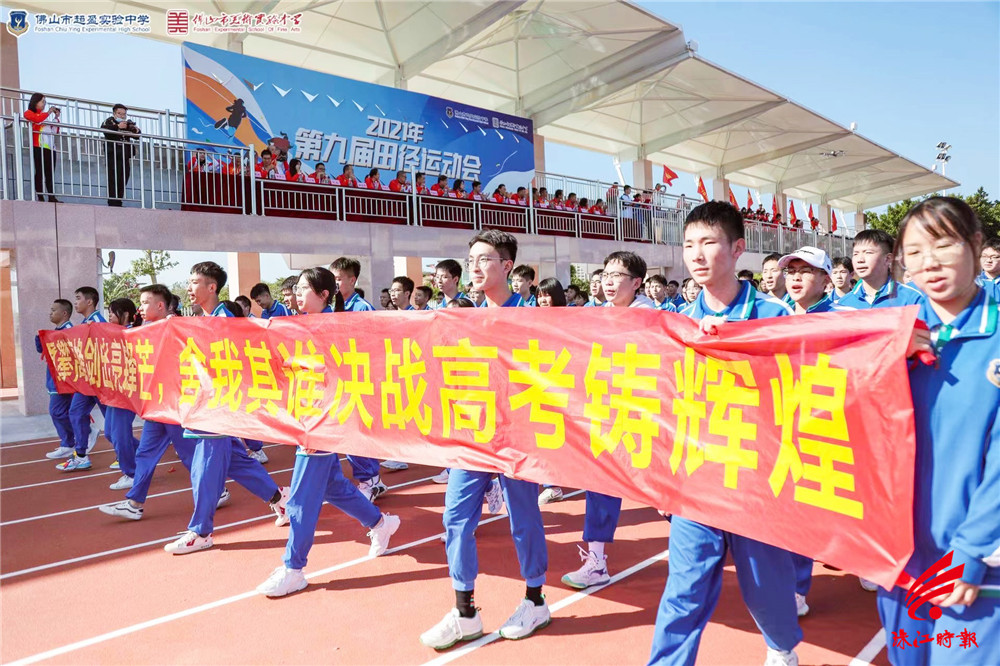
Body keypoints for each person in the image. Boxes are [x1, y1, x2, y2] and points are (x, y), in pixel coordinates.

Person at [649, 201, 801, 666]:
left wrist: (736, 342)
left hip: (756, 476)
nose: (697, 254)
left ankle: (781, 648)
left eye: (709, 243)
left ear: (737, 249)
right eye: (689, 244)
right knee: (684, 589)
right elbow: (664, 402)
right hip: (697, 477)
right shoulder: (676, 323)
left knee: (765, 588)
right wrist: (663, 475)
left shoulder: (774, 314)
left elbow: (801, 389)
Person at [871, 197, 1000, 666]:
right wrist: (884, 359)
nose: (930, 262)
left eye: (944, 245)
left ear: (976, 244)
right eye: (915, 252)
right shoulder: (886, 337)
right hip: (898, 557)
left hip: (972, 563)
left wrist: (972, 551)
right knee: (906, 658)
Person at [420, 230, 550, 649]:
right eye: (471, 260)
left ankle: (535, 600)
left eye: (484, 260)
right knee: (455, 518)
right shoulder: (465, 317)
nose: (474, 267)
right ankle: (465, 611)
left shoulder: (530, 316)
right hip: (473, 434)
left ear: (507, 266)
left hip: (517, 437)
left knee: (523, 518)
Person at [256, 267, 401, 598]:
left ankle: (294, 568)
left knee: (301, 498)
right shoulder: (296, 326)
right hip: (306, 418)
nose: (296, 294)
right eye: (296, 289)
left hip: (325, 422)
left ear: (324, 295)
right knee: (334, 487)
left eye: (304, 289)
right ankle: (382, 524)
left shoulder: (338, 328)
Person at [164, 261, 289, 555]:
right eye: (189, 281)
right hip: (209, 404)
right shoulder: (204, 319)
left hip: (219, 406)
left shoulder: (226, 319)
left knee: (204, 466)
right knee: (235, 460)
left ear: (212, 287)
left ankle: (201, 531)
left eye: (195, 282)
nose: (189, 287)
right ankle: (279, 498)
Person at [563, 252, 655, 590]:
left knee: (668, 491)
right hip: (609, 415)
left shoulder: (651, 317)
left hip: (650, 419)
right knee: (600, 482)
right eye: (605, 275)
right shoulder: (596, 314)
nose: (609, 282)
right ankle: (596, 560)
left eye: (617, 276)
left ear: (636, 282)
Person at [776, 246, 855, 617]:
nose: (796, 277)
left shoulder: (845, 318)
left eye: (805, 271)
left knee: (825, 508)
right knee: (792, 512)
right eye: (791, 270)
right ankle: (794, 587)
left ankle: (858, 556)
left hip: (830, 427)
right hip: (782, 427)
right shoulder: (773, 317)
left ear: (826, 280)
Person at [99, 284, 197, 522]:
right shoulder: (144, 330)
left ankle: (218, 489)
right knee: (145, 453)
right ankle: (135, 503)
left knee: (189, 453)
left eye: (144, 303)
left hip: (173, 405)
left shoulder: (175, 327)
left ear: (160, 305)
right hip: (156, 405)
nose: (140, 308)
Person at [328, 258, 398, 484]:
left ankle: (370, 479)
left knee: (358, 431)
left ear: (352, 280)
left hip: (360, 378)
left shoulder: (362, 308)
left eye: (339, 279)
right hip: (341, 377)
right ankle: (370, 479)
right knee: (347, 432)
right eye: (332, 279)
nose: (335, 284)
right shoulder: (334, 307)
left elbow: (373, 344)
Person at [58, 286, 107, 472]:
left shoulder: (98, 322)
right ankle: (81, 456)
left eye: (78, 298)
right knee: (76, 413)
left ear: (90, 301)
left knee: (112, 427)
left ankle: (133, 451)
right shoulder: (84, 323)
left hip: (100, 382)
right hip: (86, 382)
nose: (76, 302)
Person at [103, 298, 143, 490]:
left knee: (120, 434)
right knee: (110, 433)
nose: (110, 316)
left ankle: (132, 473)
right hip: (114, 391)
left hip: (128, 393)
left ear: (125, 314)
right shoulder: (112, 333)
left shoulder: (135, 334)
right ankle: (144, 453)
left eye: (113, 312)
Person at [837, 229, 926, 310]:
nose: (860, 260)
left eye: (868, 252)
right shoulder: (843, 305)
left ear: (888, 259)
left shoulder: (912, 299)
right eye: (855, 254)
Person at [39, 299, 76, 459]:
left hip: (63, 381)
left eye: (54, 310)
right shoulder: (57, 331)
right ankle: (77, 437)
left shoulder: (69, 331)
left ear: (64, 313)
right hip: (55, 380)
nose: (50, 313)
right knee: (64, 412)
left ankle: (69, 443)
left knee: (57, 412)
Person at [100, 103, 141, 207]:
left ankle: (119, 201)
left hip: (124, 155)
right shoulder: (109, 121)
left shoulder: (127, 124)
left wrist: (135, 129)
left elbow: (137, 135)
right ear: (114, 113)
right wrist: (117, 126)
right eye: (119, 113)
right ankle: (112, 202)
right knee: (113, 178)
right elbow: (104, 129)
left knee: (124, 178)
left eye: (124, 114)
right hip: (113, 154)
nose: (122, 116)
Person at [24, 92, 60, 202]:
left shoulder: (45, 117)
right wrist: (48, 112)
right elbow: (37, 119)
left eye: (45, 102)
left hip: (50, 148)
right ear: (35, 102)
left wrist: (56, 118)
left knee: (50, 173)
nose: (44, 104)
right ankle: (40, 195)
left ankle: (51, 196)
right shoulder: (29, 113)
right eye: (42, 101)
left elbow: (55, 131)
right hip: (38, 146)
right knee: (39, 172)